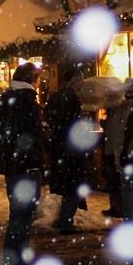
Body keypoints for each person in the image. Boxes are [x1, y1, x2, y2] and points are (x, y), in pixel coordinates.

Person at [0, 62, 47, 265]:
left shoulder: (6, 102)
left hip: (13, 168)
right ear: (32, 80)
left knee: (17, 217)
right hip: (26, 168)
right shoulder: (28, 105)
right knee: (22, 219)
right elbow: (33, 138)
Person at [45, 67, 91, 234]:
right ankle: (66, 222)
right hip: (70, 150)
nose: (83, 82)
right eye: (81, 79)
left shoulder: (58, 97)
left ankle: (64, 220)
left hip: (62, 149)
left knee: (68, 187)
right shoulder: (70, 99)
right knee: (73, 186)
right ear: (74, 81)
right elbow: (70, 125)